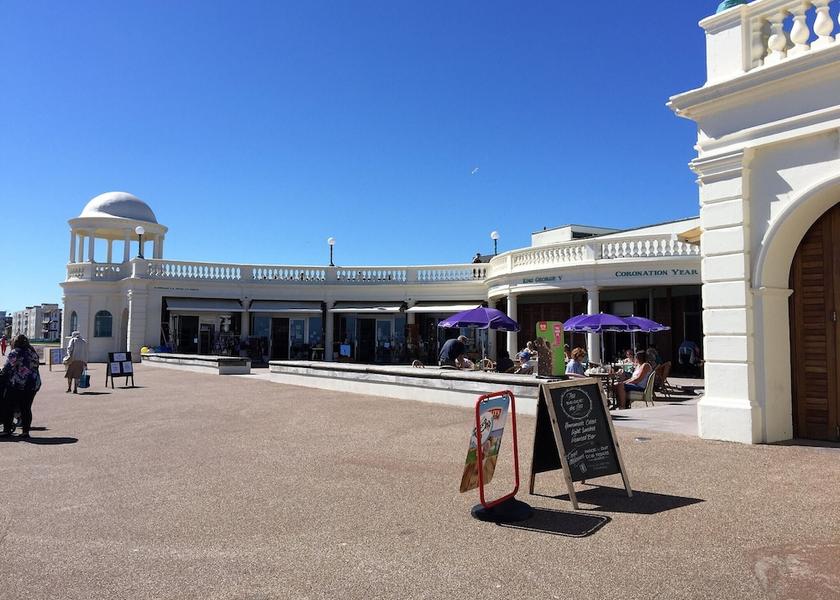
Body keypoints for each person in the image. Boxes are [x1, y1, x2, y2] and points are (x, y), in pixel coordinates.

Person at [1, 335, 41, 439]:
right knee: (26, 408)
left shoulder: (15, 352)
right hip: (33, 383)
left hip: (18, 384)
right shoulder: (32, 352)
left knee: (8, 406)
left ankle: (6, 430)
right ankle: (25, 432)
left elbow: (7, 368)